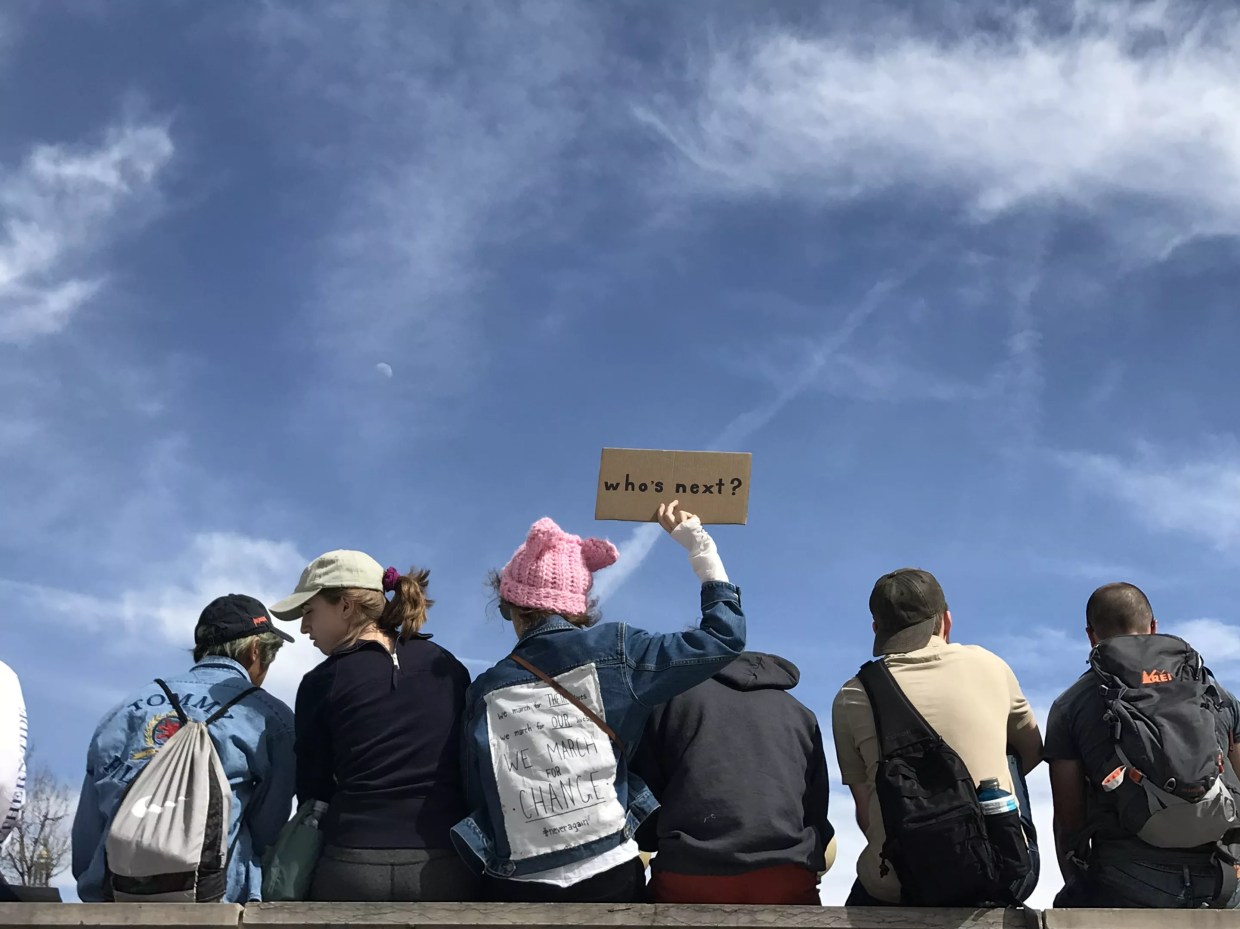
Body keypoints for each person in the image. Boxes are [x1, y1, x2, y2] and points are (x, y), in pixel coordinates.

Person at [453, 501, 745, 903]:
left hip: (516, 879)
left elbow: (478, 792)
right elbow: (723, 638)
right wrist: (700, 547)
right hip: (610, 869)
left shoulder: (485, 688)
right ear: (579, 605)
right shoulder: (619, 653)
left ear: (514, 609)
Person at [271, 550, 479, 902]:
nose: (304, 626)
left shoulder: (321, 681)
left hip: (352, 865)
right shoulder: (448, 666)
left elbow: (312, 789)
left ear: (347, 606)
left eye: (309, 612)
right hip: (447, 864)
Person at [832, 568, 1042, 906]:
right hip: (1002, 872)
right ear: (945, 620)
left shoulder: (851, 695)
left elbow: (866, 811)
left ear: (877, 629)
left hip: (903, 884)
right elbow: (1031, 752)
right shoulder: (989, 664)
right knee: (1009, 754)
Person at [71, 594, 296, 903]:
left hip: (117, 896)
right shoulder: (270, 718)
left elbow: (88, 830)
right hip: (214, 899)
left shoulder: (123, 711)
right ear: (256, 651)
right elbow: (268, 831)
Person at [1046, 582, 1240, 908]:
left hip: (1127, 879)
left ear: (1091, 635)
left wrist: (1077, 884)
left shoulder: (1071, 705)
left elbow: (1068, 819)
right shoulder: (1214, 694)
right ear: (1153, 627)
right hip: (1223, 878)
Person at [631, 651, 834, 904]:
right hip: (785, 876)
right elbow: (816, 811)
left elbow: (646, 803)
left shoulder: (670, 701)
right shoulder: (802, 715)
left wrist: (652, 841)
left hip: (689, 875)